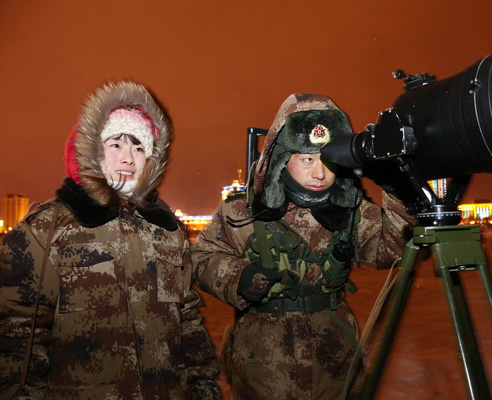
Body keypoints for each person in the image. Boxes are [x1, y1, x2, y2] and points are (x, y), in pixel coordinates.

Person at [0, 81, 220, 399]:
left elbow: (185, 316)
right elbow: (16, 331)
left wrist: (203, 384)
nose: (128, 158)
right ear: (92, 150)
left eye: (139, 148)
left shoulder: (167, 231)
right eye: (116, 145)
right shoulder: (46, 230)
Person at [192, 93, 416, 399]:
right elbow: (201, 257)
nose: (319, 173)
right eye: (307, 158)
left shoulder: (352, 210)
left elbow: (391, 250)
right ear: (283, 157)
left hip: (335, 362)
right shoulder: (240, 211)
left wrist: (397, 185)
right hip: (262, 367)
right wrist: (236, 276)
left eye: (328, 160)